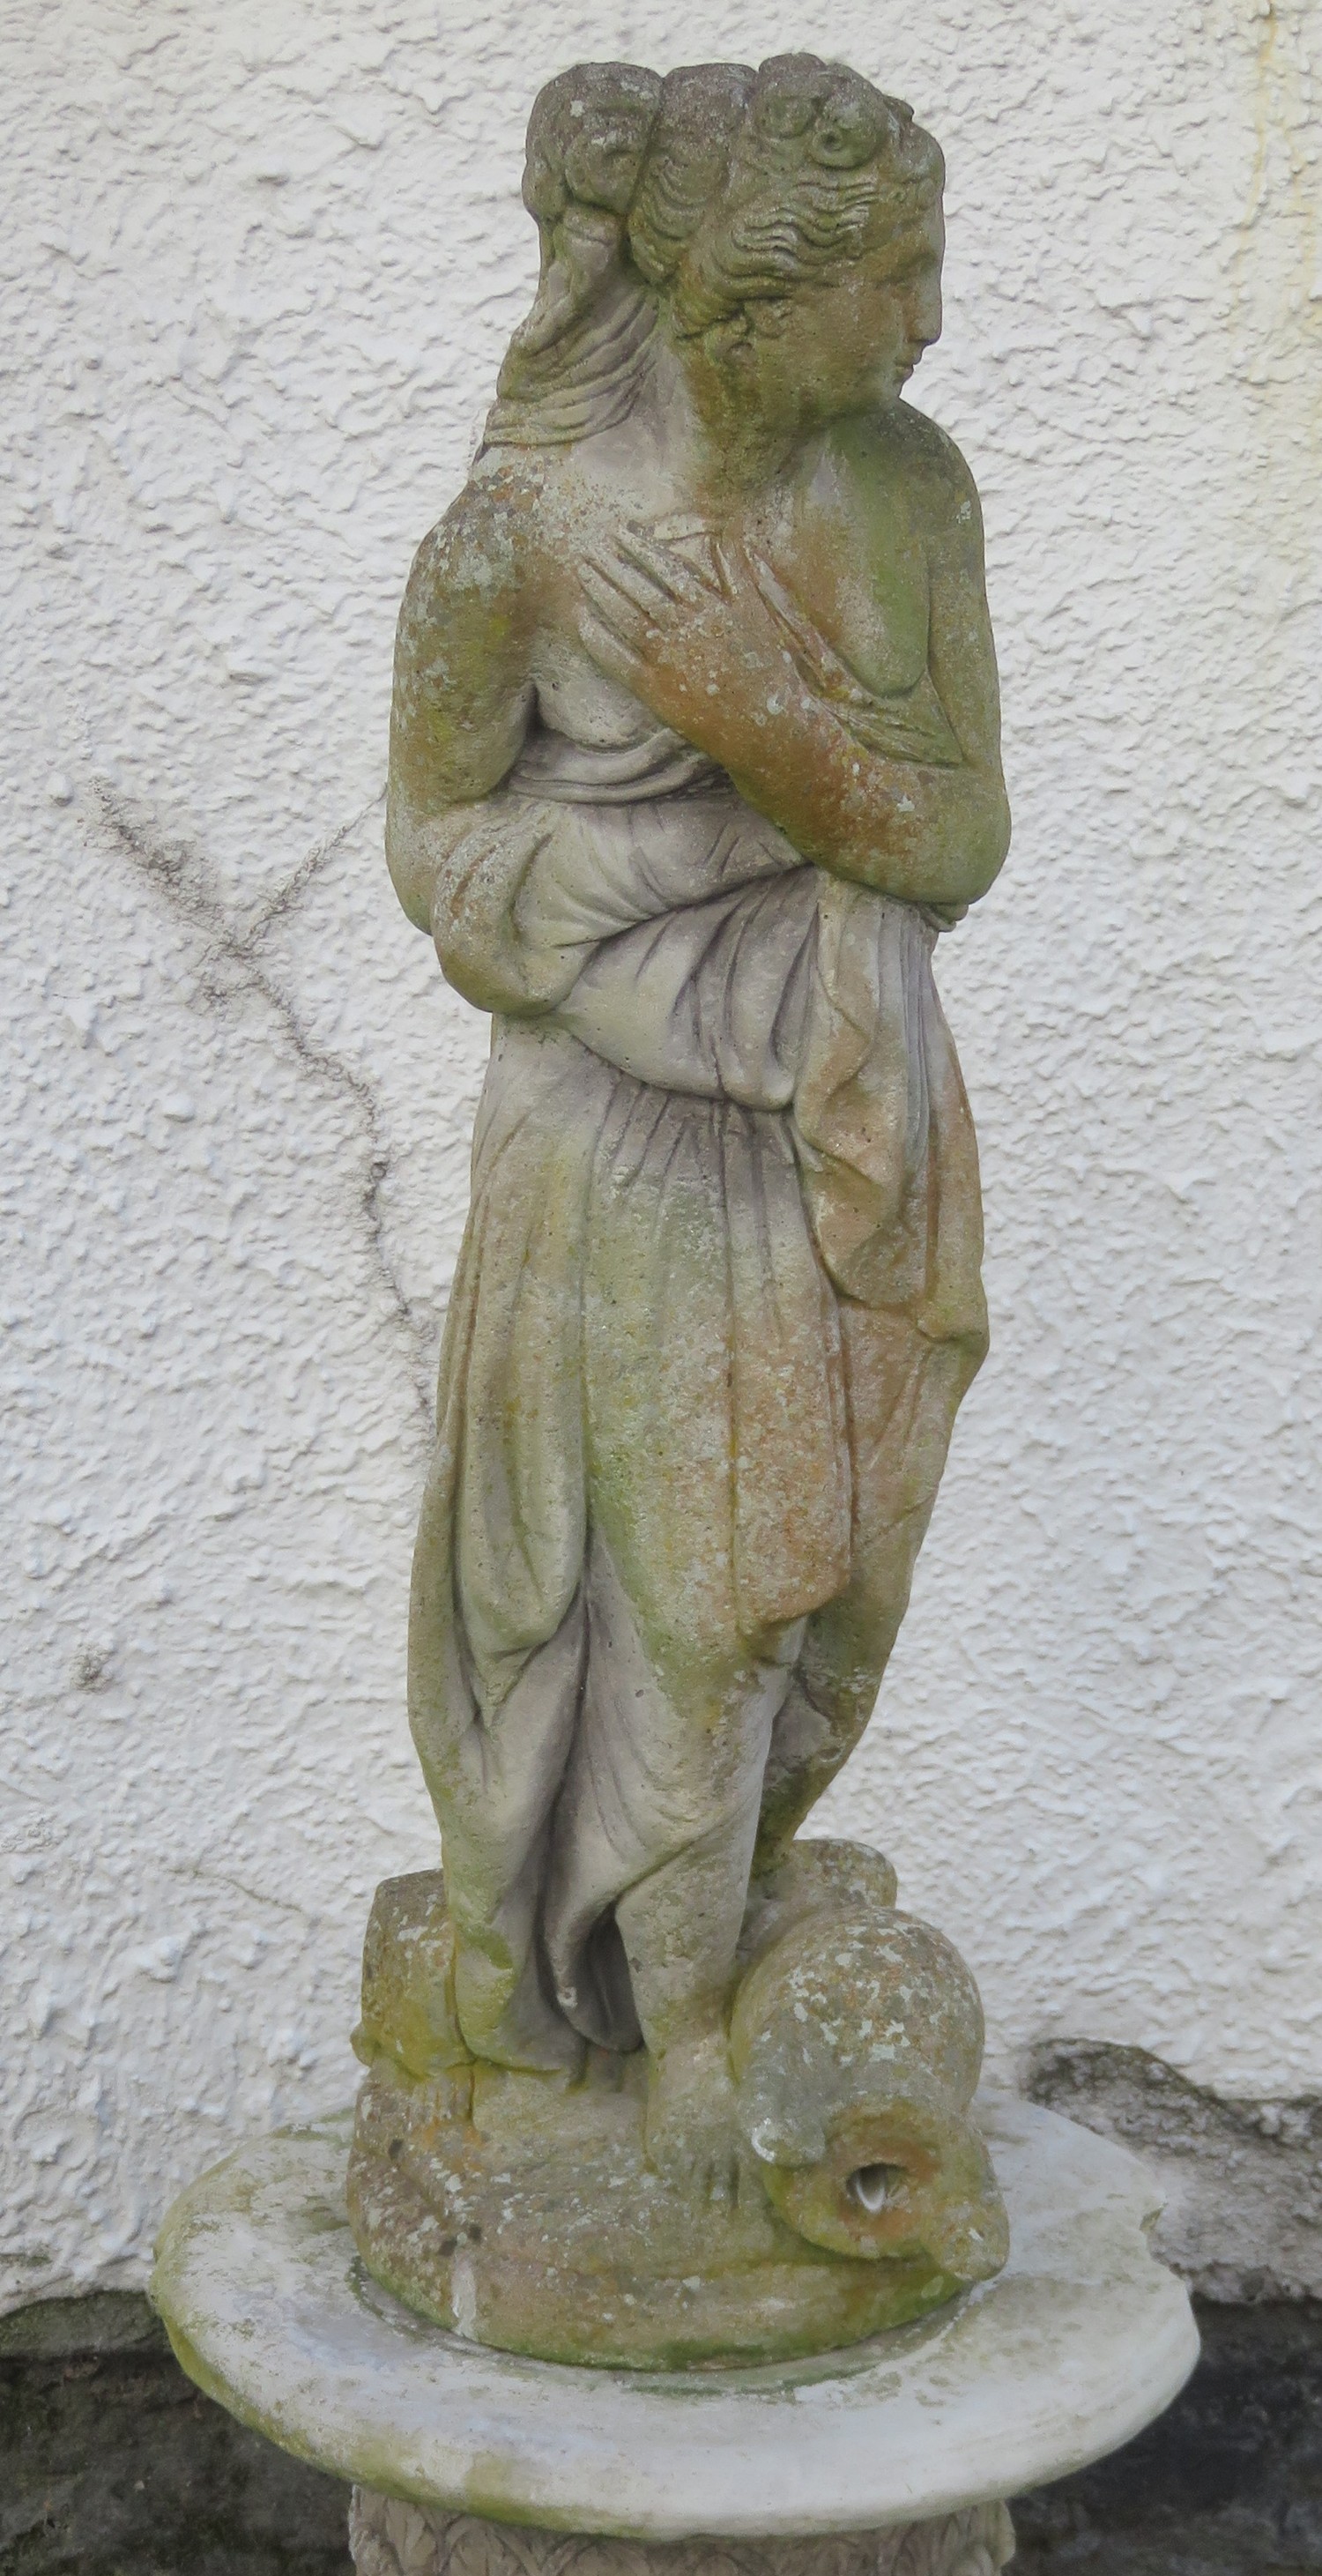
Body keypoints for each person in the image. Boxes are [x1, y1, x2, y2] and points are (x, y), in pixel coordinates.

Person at [386, 55, 1009, 2176]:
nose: (925, 323)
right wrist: (607, 918)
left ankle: (705, 1957)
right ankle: (645, 2041)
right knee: (650, 1582)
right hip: (611, 1141)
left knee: (803, 1584)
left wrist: (776, 728)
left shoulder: (908, 494)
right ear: (751, 299)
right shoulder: (528, 536)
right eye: (893, 280)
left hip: (844, 1113)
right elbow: (431, 830)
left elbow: (958, 839)